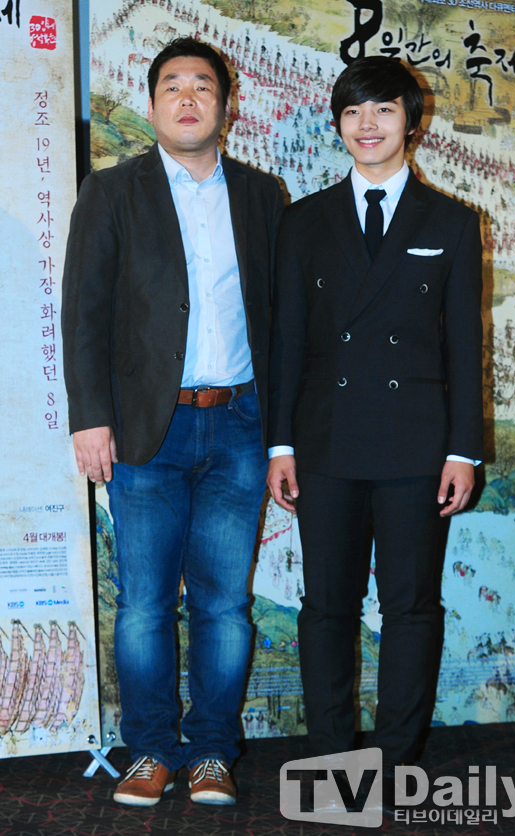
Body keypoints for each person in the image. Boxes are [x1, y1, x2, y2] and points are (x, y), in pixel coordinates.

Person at [62, 37, 283, 807]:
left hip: (240, 424)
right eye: (173, 86)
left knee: (225, 603)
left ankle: (213, 751)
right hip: (143, 431)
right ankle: (151, 750)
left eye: (203, 86)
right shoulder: (111, 192)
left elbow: (284, 316)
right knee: (146, 605)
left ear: (227, 104)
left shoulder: (261, 194)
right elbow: (84, 313)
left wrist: (285, 433)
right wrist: (90, 418)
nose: (188, 98)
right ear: (153, 104)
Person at [266, 56, 483, 808]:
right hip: (325, 442)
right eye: (354, 111)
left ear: (411, 123)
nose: (368, 125)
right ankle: (331, 760)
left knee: (411, 607)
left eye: (384, 110)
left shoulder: (451, 222)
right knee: (326, 607)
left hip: (416, 445)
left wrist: (463, 450)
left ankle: (395, 759)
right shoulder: (303, 220)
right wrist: (280, 445)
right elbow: (287, 342)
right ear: (337, 124)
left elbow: (465, 348)